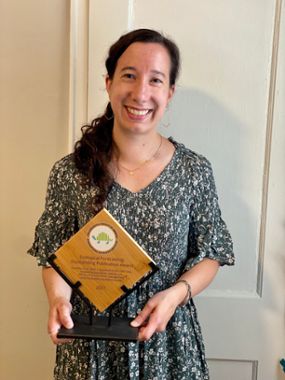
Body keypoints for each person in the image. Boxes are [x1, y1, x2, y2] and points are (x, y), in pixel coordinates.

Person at [28, 28, 234, 380]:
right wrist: (58, 299)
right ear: (108, 83)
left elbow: (211, 252)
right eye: (129, 76)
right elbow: (53, 255)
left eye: (155, 80)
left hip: (167, 340)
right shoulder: (70, 172)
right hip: (90, 341)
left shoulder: (194, 170)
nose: (140, 93)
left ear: (169, 93)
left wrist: (175, 296)